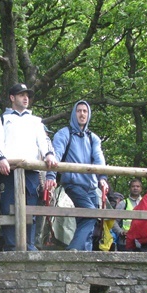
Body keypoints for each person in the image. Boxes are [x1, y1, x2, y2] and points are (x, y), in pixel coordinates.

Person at [0, 83, 57, 251]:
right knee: (8, 209)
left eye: (27, 95)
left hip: (32, 172)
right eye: (21, 95)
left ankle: (28, 245)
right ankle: (11, 246)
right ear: (12, 98)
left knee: (31, 210)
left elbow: (44, 141)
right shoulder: (2, 119)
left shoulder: (36, 121)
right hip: (9, 170)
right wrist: (1, 158)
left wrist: (49, 154)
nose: (26, 98)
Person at [45, 100, 107, 251]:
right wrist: (51, 176)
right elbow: (56, 155)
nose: (82, 114)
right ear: (74, 113)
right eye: (79, 111)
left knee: (87, 222)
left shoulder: (93, 138)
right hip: (74, 184)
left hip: (91, 187)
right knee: (90, 215)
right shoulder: (64, 133)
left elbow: (99, 158)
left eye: (85, 111)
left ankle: (85, 257)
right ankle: (73, 250)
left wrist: (103, 178)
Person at [110, 178, 143, 250]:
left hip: (142, 242)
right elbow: (113, 221)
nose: (135, 188)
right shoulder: (123, 204)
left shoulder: (146, 203)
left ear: (141, 189)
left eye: (138, 186)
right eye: (133, 186)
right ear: (130, 188)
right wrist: (120, 232)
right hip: (125, 242)